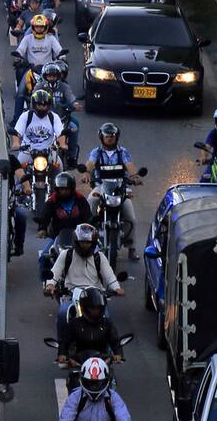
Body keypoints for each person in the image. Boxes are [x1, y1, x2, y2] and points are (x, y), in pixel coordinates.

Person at [45, 223, 123, 343]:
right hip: (71, 295)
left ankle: (109, 349)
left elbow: (109, 275)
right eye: (82, 242)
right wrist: (50, 285)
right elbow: (54, 273)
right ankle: (62, 349)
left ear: (93, 242)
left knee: (106, 317)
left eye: (88, 242)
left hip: (95, 296)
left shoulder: (99, 257)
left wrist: (117, 288)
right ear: (76, 241)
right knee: (62, 314)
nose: (85, 245)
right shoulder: (66, 255)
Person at [85, 124, 141, 257]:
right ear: (101, 137)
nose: (110, 139)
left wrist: (134, 176)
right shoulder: (96, 152)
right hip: (101, 186)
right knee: (90, 204)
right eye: (107, 136)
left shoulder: (123, 152)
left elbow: (130, 166)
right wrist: (86, 173)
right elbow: (90, 164)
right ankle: (86, 239)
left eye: (112, 136)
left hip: (120, 187)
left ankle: (131, 247)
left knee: (130, 217)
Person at [34, 171, 91, 281]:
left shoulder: (80, 199)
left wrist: (90, 227)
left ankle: (100, 283)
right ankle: (46, 283)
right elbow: (45, 216)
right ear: (57, 189)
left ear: (72, 188)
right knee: (44, 257)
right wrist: (42, 229)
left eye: (66, 189)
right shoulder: (52, 201)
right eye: (61, 189)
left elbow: (87, 215)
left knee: (97, 254)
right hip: (58, 236)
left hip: (80, 236)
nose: (64, 192)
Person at [11, 89, 66, 193]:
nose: (42, 107)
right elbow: (17, 133)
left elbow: (60, 134)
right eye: (39, 105)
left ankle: (58, 192)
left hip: (49, 151)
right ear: (34, 104)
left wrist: (62, 144)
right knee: (17, 169)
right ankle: (16, 193)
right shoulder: (26, 116)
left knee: (59, 167)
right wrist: (16, 143)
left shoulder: (54, 117)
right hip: (27, 151)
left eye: (45, 105)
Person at [59, 287, 125, 366]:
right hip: (80, 360)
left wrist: (118, 354)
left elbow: (115, 341)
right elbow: (65, 341)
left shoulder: (107, 323)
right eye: (92, 308)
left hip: (102, 360)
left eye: (98, 308)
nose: (96, 311)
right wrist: (62, 354)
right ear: (85, 308)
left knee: (112, 378)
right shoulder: (75, 323)